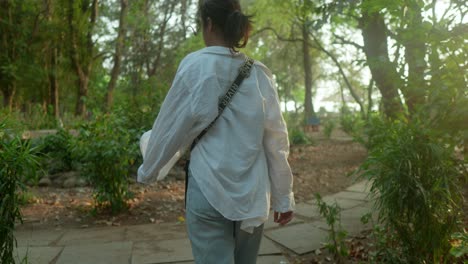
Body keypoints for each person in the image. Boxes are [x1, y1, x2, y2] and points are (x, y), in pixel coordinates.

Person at [137, 0, 295, 263]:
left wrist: (149, 169)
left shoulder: (195, 66)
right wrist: (283, 198)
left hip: (208, 187)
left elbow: (170, 127)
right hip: (253, 195)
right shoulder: (259, 75)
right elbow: (276, 141)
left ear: (208, 23)